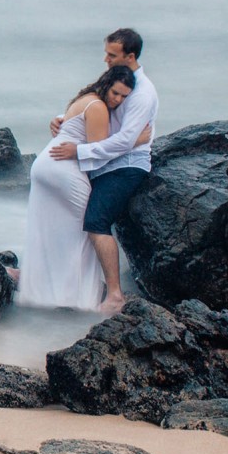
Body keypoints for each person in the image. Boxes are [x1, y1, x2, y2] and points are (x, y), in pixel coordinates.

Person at [47, 27, 157, 313]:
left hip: (126, 167)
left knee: (96, 222)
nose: (105, 59)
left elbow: (124, 142)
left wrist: (78, 151)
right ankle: (52, 278)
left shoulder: (142, 94)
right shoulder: (116, 80)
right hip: (102, 165)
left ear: (129, 56)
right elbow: (95, 106)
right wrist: (63, 120)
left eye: (112, 54)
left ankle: (115, 295)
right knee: (68, 216)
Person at [17, 65, 140, 311]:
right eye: (116, 93)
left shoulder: (84, 99)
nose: (117, 100)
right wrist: (136, 140)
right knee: (88, 229)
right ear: (107, 84)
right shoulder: (98, 107)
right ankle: (77, 300)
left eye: (124, 97)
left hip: (45, 165)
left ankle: (40, 288)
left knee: (54, 229)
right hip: (64, 169)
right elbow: (98, 156)